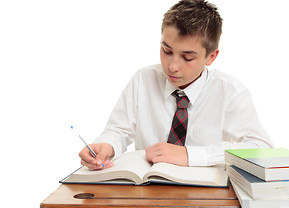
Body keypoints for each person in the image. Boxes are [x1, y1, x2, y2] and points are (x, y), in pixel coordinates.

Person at [79, 0, 273, 170]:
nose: (172, 66)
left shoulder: (231, 92)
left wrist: (190, 155)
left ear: (211, 57)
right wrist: (106, 146)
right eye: (166, 51)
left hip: (206, 199)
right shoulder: (143, 79)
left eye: (187, 57)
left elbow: (261, 149)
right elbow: (119, 130)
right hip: (148, 193)